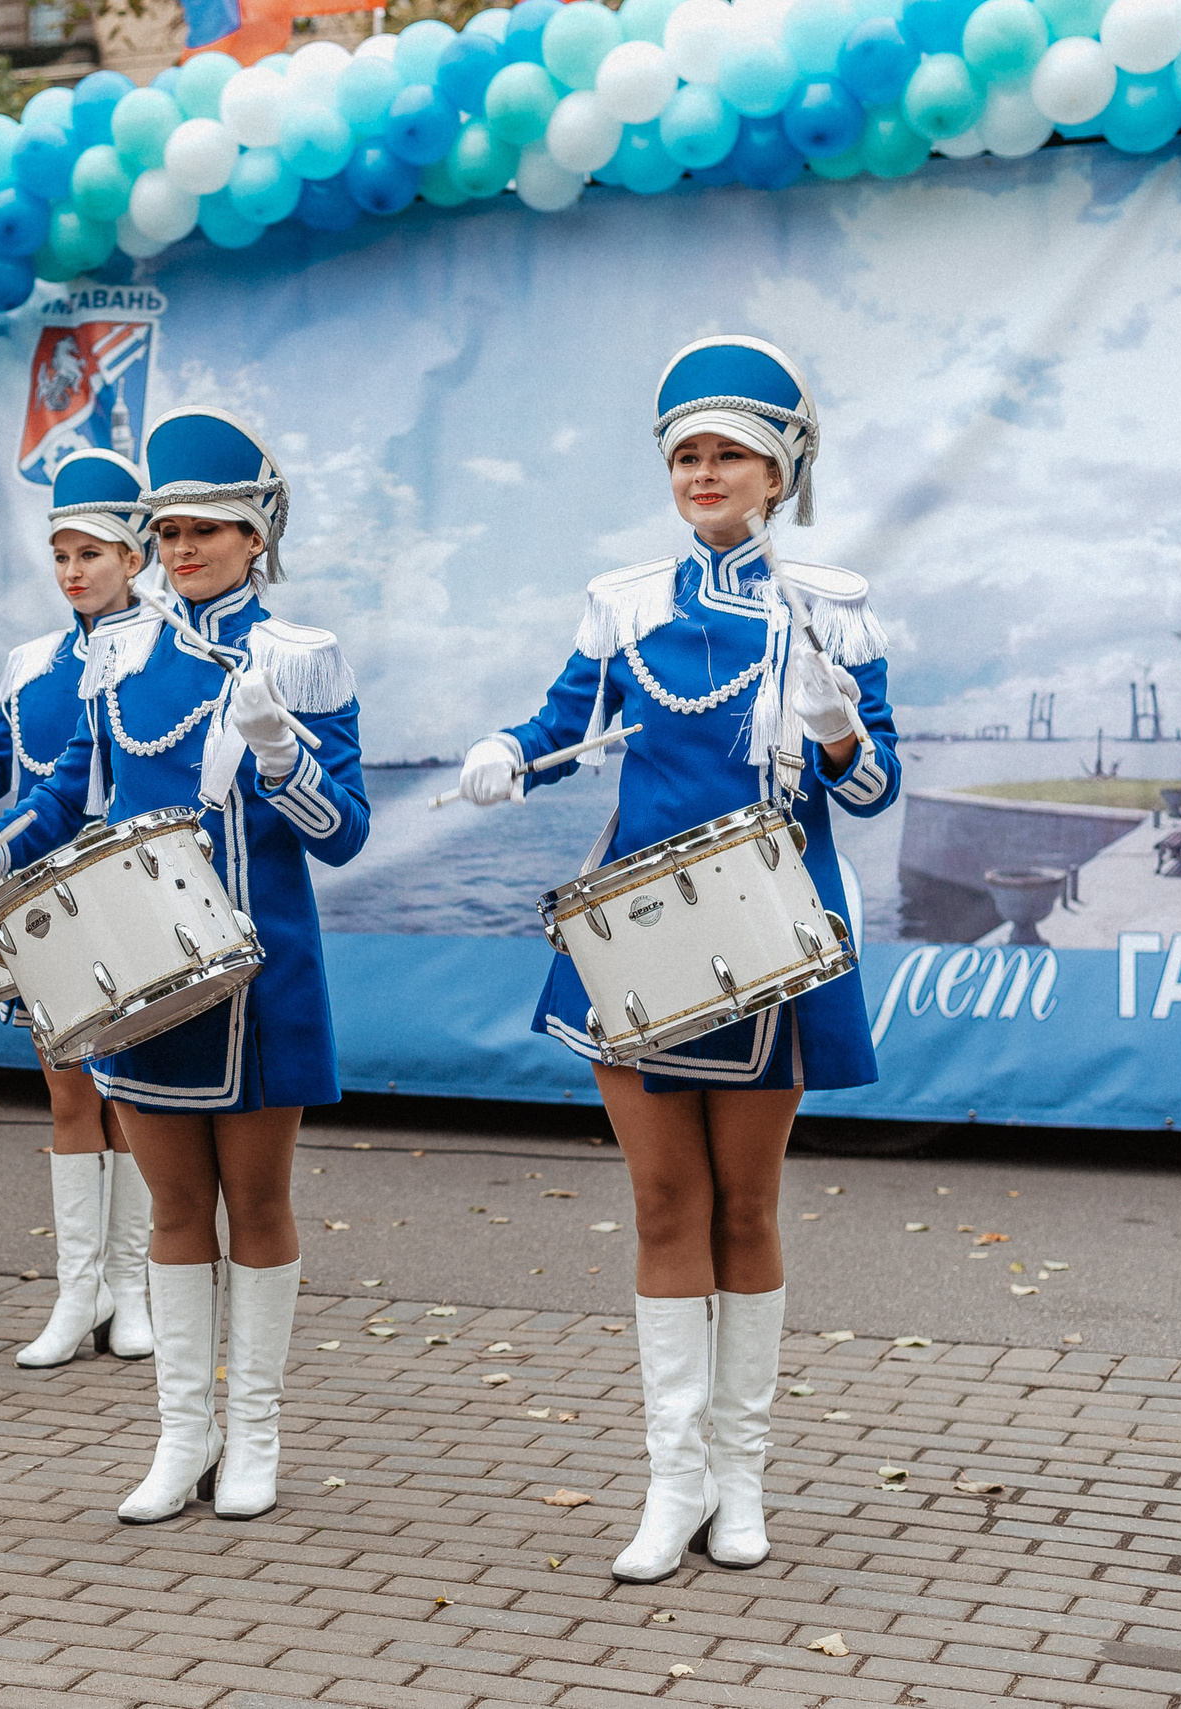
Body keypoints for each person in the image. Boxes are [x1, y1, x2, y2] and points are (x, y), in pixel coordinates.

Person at [455, 336, 900, 1582]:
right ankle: (671, 1484)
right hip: (639, 936)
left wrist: (838, 730)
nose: (705, 473)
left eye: (731, 455)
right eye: (687, 455)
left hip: (773, 933)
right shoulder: (623, 601)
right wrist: (503, 744)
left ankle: (742, 1480)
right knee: (661, 1203)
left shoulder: (836, 607)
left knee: (747, 1205)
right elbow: (561, 722)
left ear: (780, 472)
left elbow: (874, 788)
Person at [0, 408, 368, 1524]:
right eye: (167, 530)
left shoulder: (300, 659)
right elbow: (64, 789)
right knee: (176, 1205)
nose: (181, 550)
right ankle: (183, 1433)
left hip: (263, 973)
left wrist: (283, 755)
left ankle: (257, 1432)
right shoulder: (117, 654)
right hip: (136, 968)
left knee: (256, 1202)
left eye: (206, 531)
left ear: (255, 537)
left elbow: (344, 833)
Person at [0, 448, 154, 1370]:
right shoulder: (32, 664)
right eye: (61, 554)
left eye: (91, 552)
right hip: (47, 905)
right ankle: (77, 1293)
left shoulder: (169, 652)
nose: (73, 570)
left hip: (128, 901)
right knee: (65, 1094)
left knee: (128, 1094)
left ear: (136, 557)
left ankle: (131, 1287)